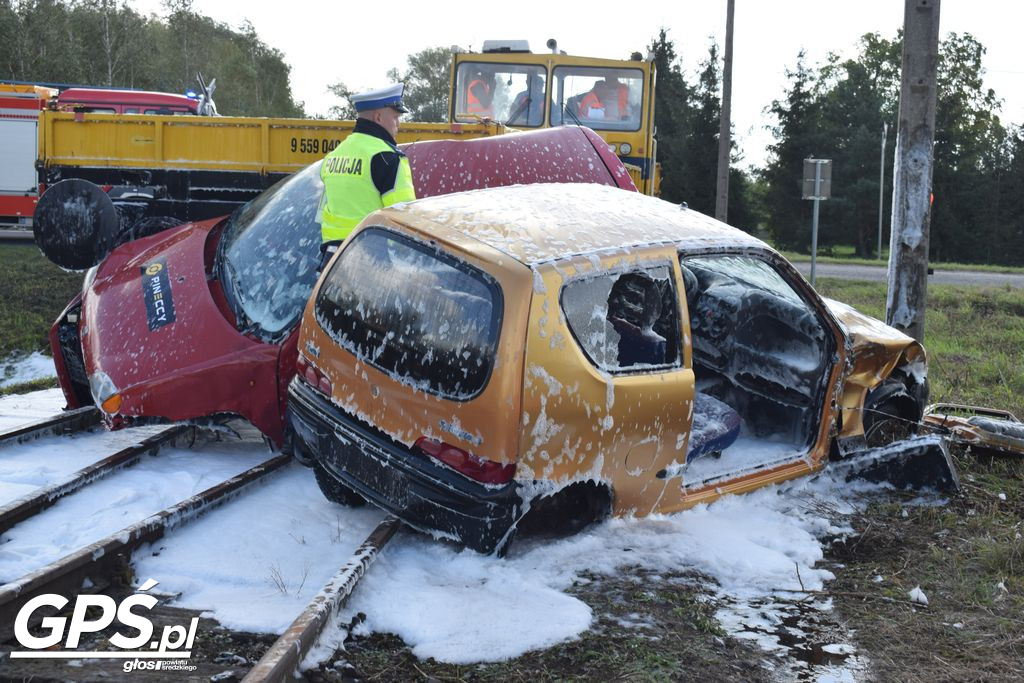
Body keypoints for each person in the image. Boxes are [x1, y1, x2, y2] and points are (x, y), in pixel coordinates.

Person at [319, 83, 416, 254]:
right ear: (378, 117)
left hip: (332, 260)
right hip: (370, 260)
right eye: (395, 118)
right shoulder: (389, 158)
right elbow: (403, 220)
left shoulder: (333, 156)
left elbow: (323, 213)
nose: (398, 125)